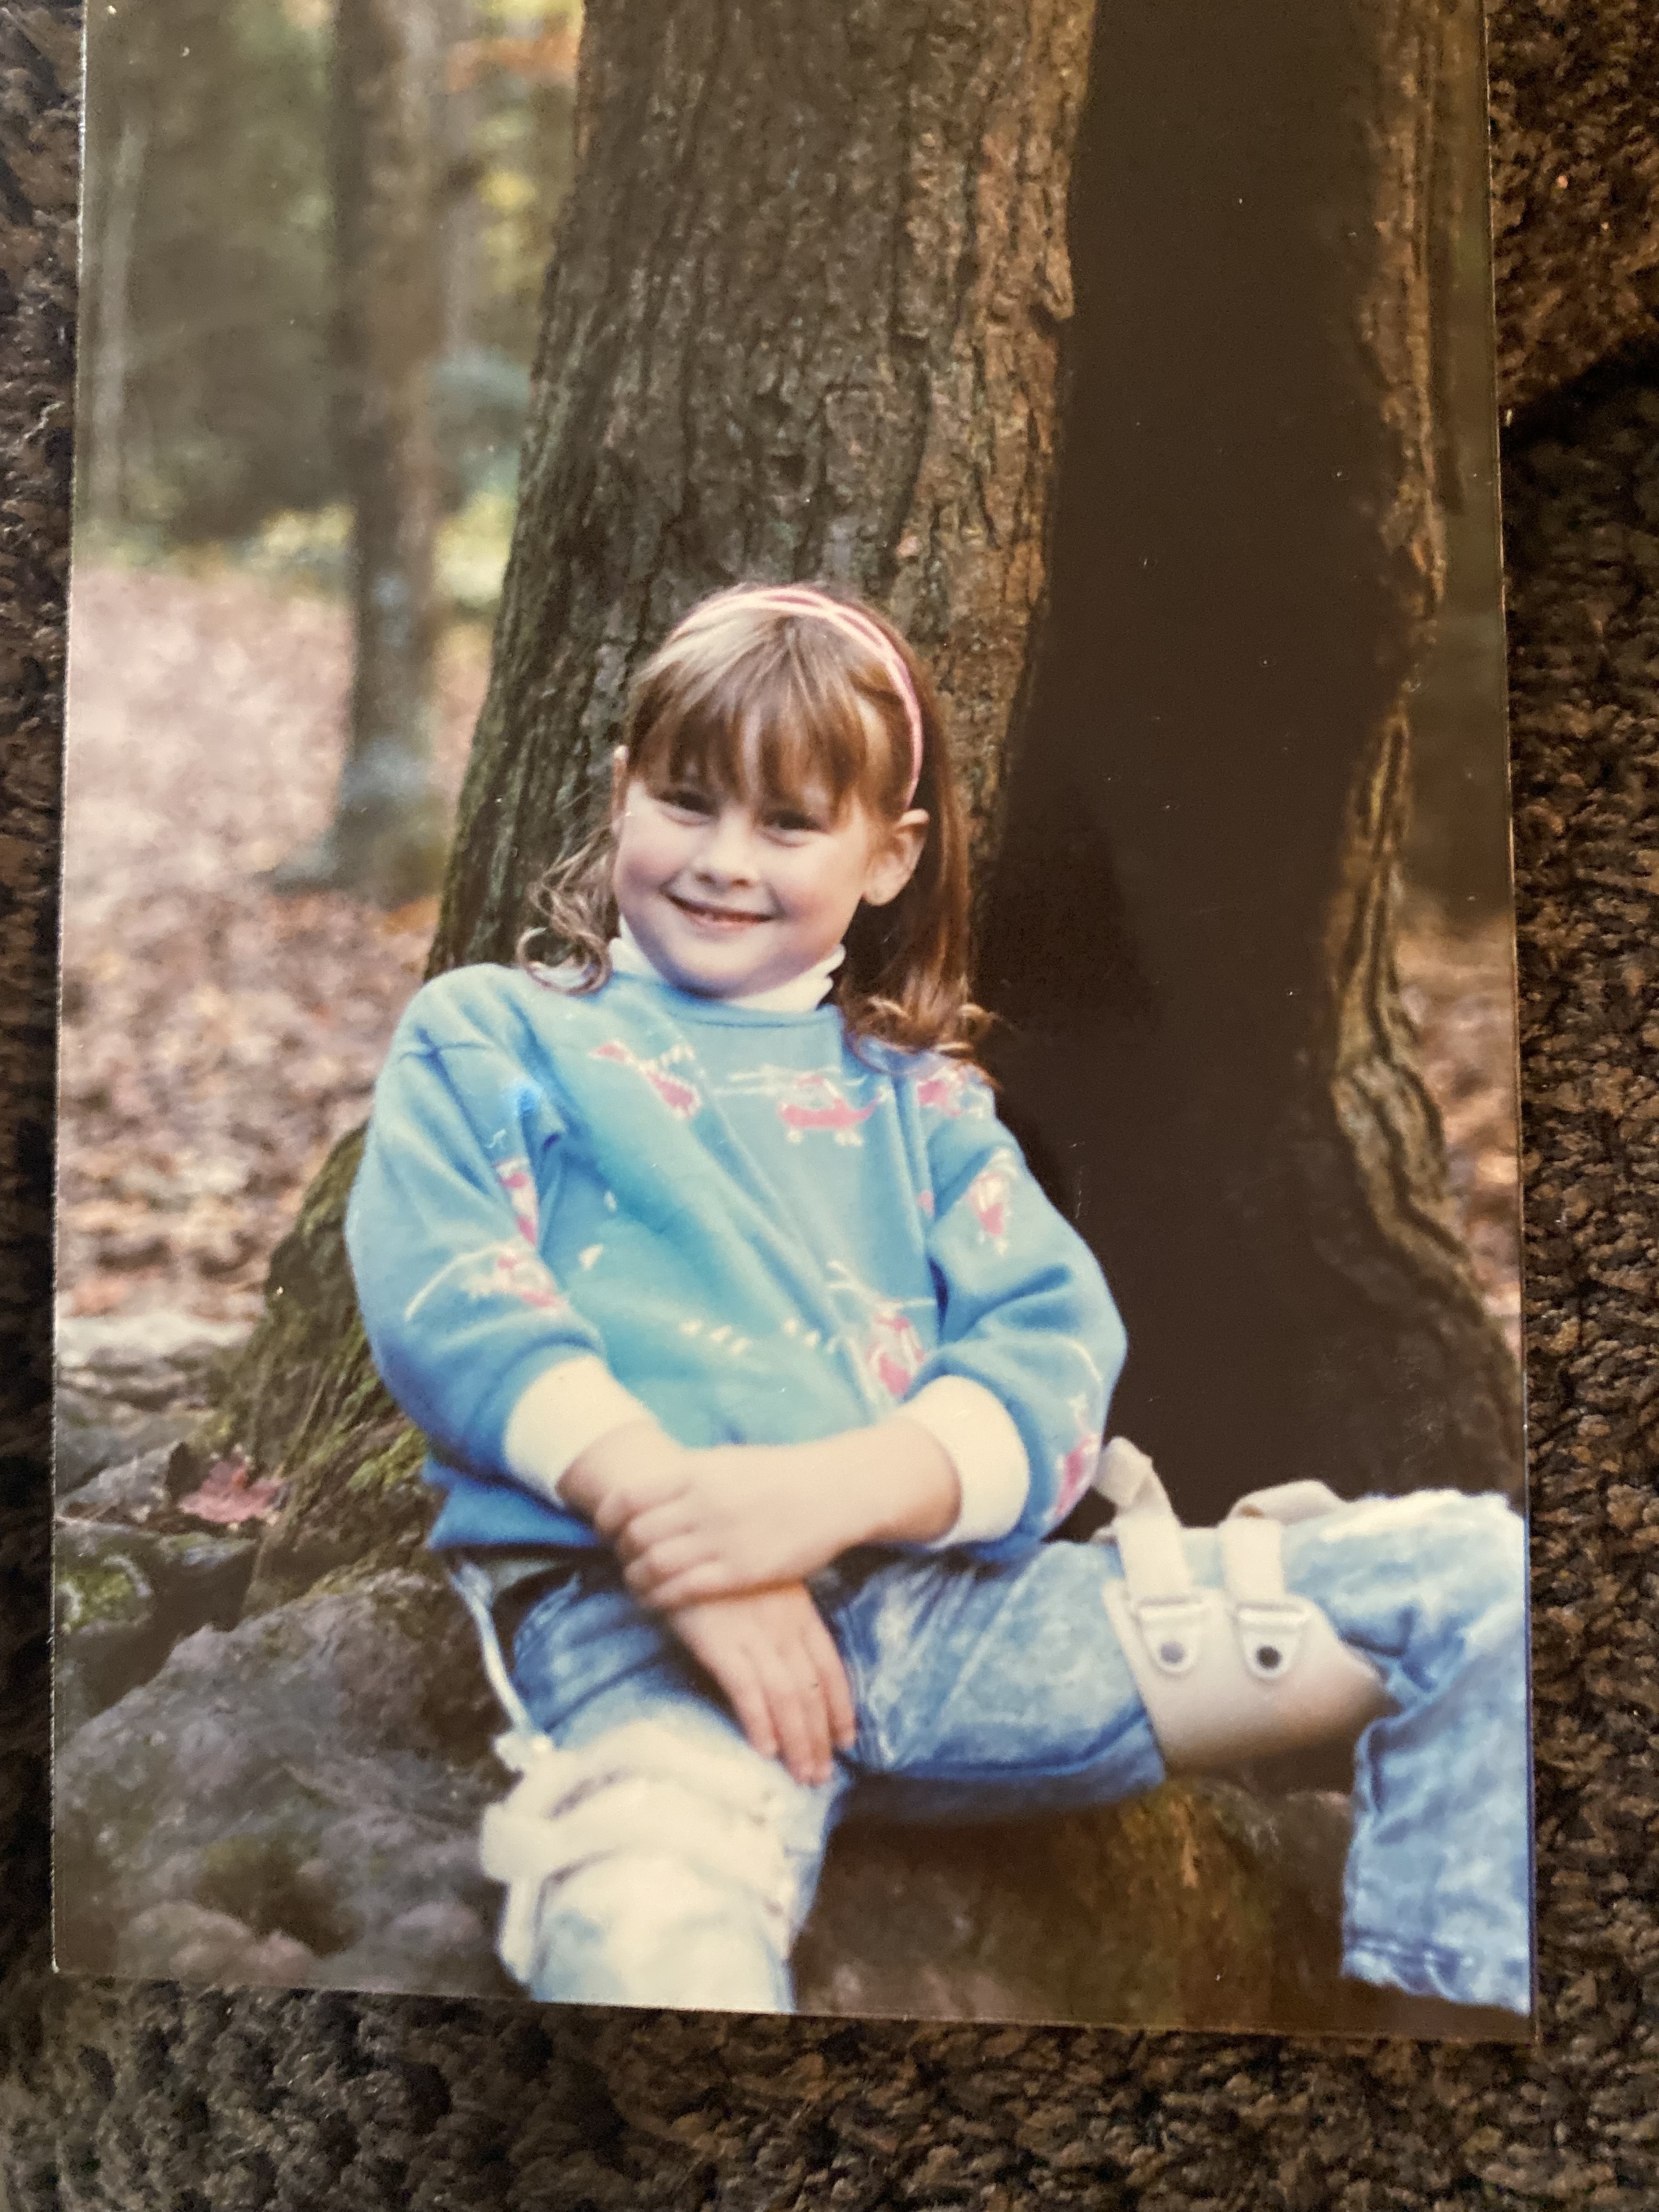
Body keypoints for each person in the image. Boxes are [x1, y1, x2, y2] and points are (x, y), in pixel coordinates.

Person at [345, 582, 1531, 2019]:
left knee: (1478, 1579)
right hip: (658, 1655)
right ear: (618, 795)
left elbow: (1052, 1351)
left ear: (889, 856)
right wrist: (694, 1537)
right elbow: (452, 1293)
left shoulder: (926, 1109)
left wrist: (832, 1496)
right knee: (644, 1924)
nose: (726, 860)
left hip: (975, 1635)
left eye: (788, 824)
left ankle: (1444, 2038)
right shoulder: (499, 1036)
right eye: (688, 801)